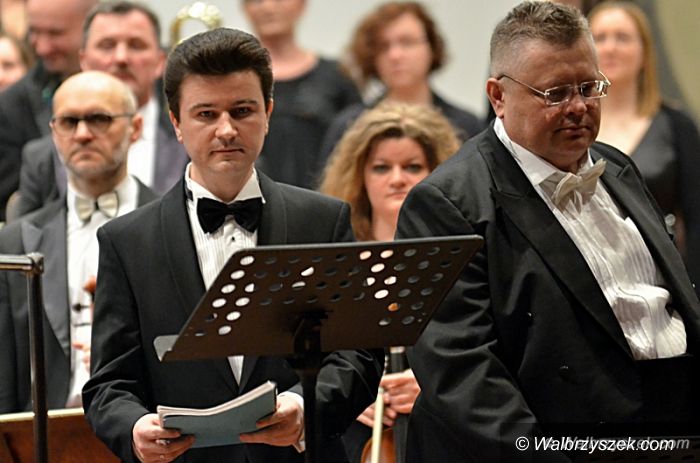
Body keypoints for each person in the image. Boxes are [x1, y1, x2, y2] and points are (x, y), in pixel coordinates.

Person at [396, 2, 700, 462]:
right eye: (555, 93)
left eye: (588, 87)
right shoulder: (446, 203)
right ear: (498, 96)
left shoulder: (617, 167)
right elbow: (462, 373)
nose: (578, 108)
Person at [81, 28, 383, 463]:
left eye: (242, 111)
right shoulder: (125, 240)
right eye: (206, 114)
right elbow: (109, 384)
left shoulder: (323, 220)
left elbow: (358, 352)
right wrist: (133, 428)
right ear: (176, 123)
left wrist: (304, 407)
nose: (226, 130)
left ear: (268, 112)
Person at [0, 70, 157, 413]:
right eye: (69, 122)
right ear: (53, 133)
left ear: (135, 128)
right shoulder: (14, 241)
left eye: (99, 119)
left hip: (150, 426)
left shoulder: (172, 224)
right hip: (47, 429)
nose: (83, 134)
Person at [319, 101, 460, 461]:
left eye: (413, 167)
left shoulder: (461, 257)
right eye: (381, 167)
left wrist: (432, 387)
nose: (397, 179)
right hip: (355, 438)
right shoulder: (333, 259)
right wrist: (350, 392)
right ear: (360, 177)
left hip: (439, 431)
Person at [12, 0, 189, 219]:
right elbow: (28, 233)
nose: (121, 58)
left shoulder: (189, 142)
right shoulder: (41, 157)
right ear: (83, 60)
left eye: (136, 45)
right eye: (107, 45)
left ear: (160, 61)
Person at [588, 1, 700, 294]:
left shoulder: (677, 125)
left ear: (645, 52)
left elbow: (696, 218)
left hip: (662, 280)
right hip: (589, 278)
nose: (610, 48)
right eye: (599, 38)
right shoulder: (573, 122)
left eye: (622, 38)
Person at [319, 1, 482, 167]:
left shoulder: (466, 126)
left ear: (431, 48)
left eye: (407, 42)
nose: (395, 55)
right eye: (383, 46)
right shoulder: (349, 127)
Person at [241, 0, 361, 189]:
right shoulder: (231, 79)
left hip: (323, 197)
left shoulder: (336, 77)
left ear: (302, 4)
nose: (268, 7)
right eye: (257, 0)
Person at [0, 0, 97, 222]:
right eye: (34, 32)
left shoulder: (157, 95)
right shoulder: (11, 108)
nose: (42, 47)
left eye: (55, 33)